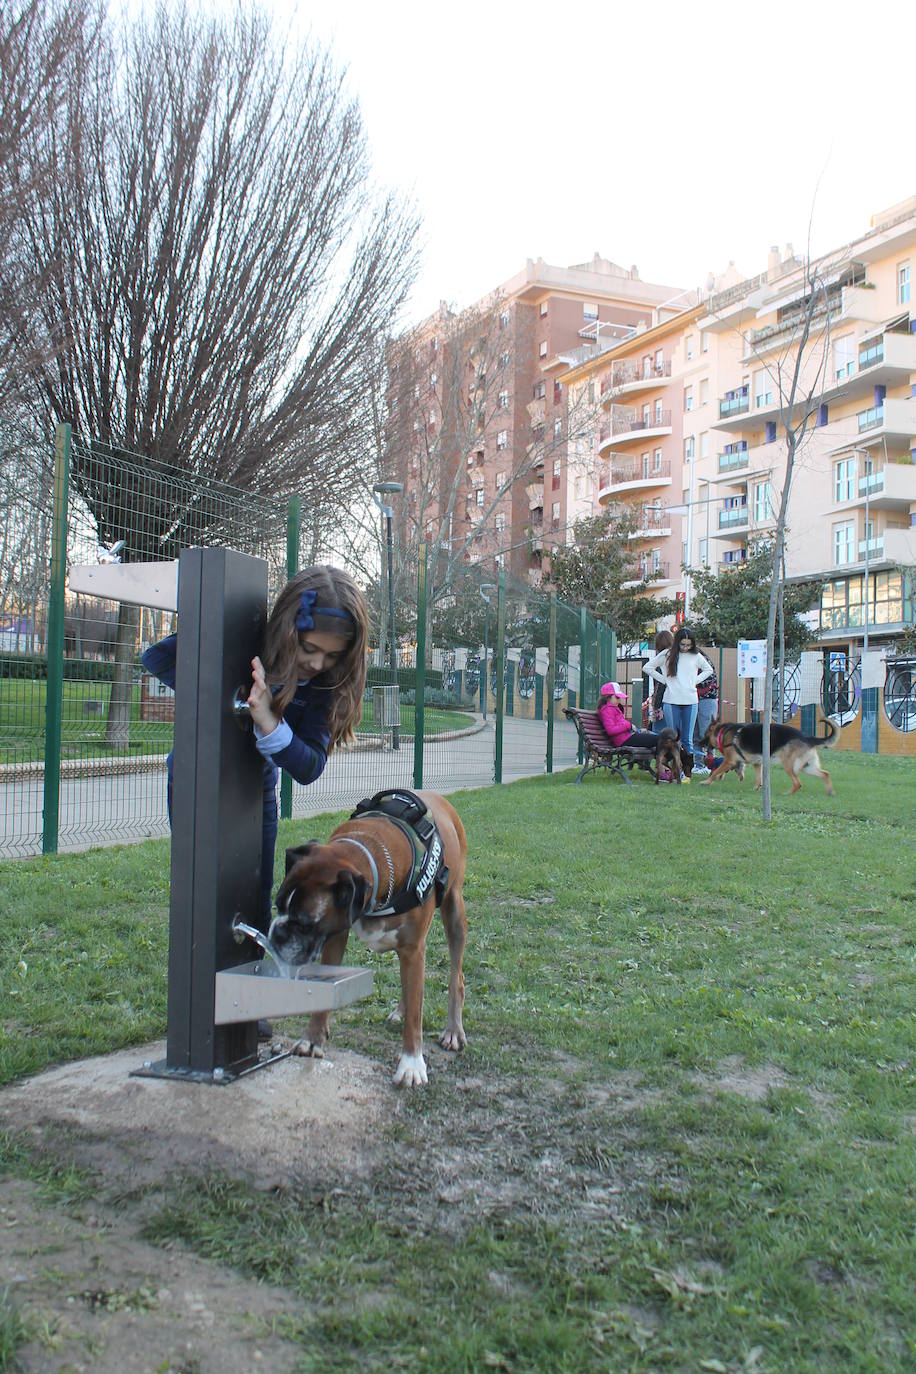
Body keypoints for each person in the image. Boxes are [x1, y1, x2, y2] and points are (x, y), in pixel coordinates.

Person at [142, 563, 369, 934]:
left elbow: (309, 765)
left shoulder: (323, 685)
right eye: (309, 648)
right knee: (197, 886)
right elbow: (157, 659)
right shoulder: (247, 641)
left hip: (257, 786)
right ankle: (197, 985)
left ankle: (247, 980)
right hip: (194, 772)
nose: (317, 663)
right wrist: (229, 695)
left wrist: (268, 720)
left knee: (252, 895)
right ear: (287, 631)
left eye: (332, 656)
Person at [642, 625, 713, 767]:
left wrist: (695, 681)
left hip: (691, 701)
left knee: (687, 738)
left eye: (688, 645)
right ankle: (675, 768)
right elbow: (647, 667)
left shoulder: (696, 655)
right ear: (677, 642)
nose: (685, 648)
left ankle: (687, 769)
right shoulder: (667, 654)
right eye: (682, 644)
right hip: (671, 700)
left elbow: (708, 669)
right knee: (673, 736)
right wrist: (666, 680)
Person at [597, 681, 660, 750]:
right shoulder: (607, 710)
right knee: (660, 739)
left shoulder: (612, 708)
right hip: (624, 740)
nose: (619, 700)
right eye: (617, 697)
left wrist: (636, 730)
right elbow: (611, 730)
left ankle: (660, 759)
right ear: (608, 697)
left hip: (627, 737)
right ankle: (662, 760)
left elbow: (619, 725)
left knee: (660, 738)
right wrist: (629, 726)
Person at [692, 662, 719, 776]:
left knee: (706, 734)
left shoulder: (703, 662)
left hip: (706, 699)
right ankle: (698, 764)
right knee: (695, 733)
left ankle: (710, 764)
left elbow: (708, 683)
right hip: (692, 699)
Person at [647, 629, 673, 735]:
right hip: (676, 701)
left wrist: (656, 705)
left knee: (659, 732)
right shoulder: (675, 659)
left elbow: (659, 686)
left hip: (662, 702)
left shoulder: (659, 660)